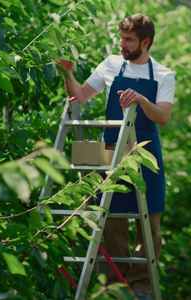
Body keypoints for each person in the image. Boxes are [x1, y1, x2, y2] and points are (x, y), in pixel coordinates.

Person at [58, 13, 175, 300]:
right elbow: (80, 96)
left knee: (150, 226)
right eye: (121, 38)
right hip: (109, 152)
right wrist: (66, 73)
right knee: (111, 223)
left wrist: (141, 99)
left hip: (146, 154)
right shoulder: (110, 64)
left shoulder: (163, 74)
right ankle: (116, 286)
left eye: (129, 40)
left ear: (145, 42)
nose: (122, 44)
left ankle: (141, 286)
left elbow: (163, 117)